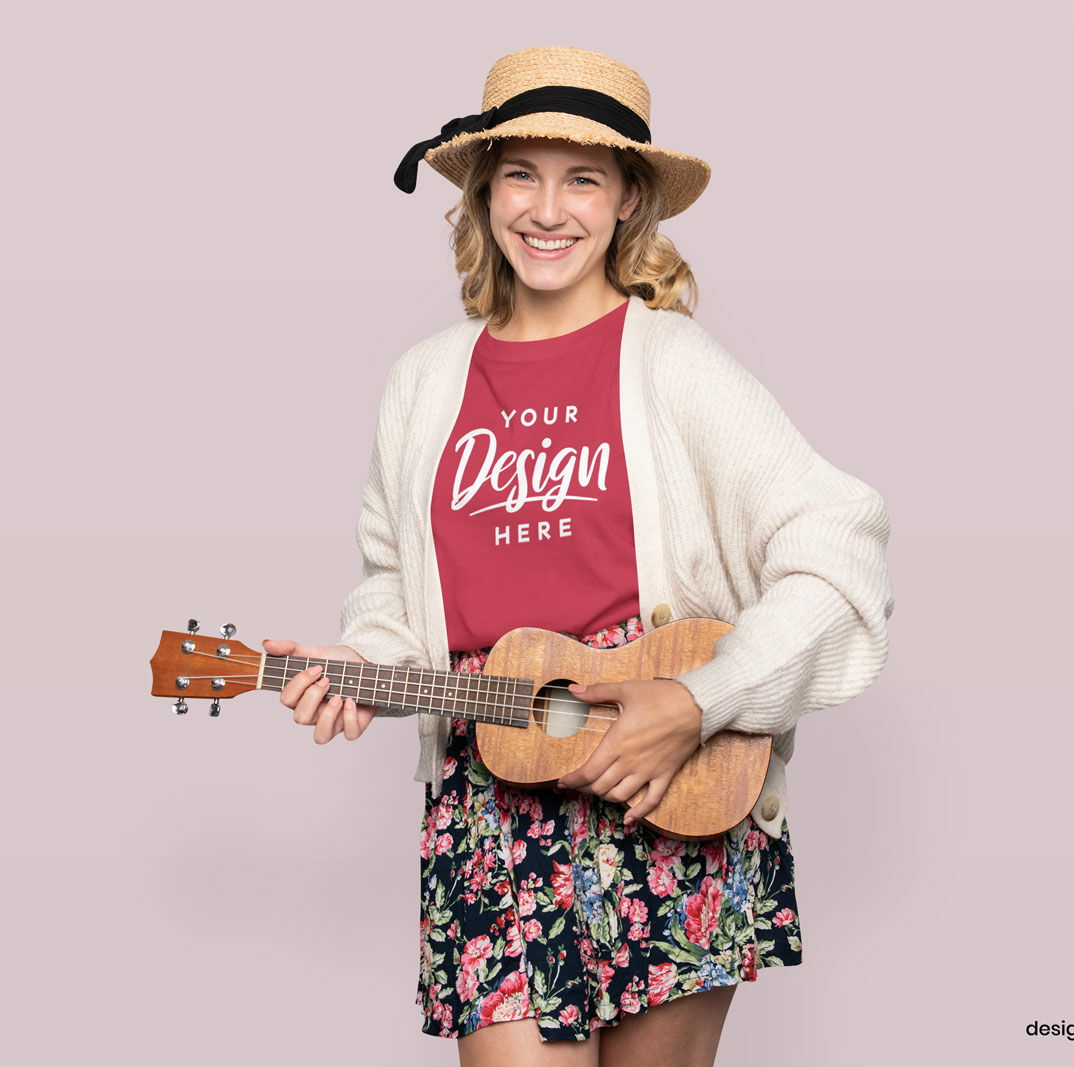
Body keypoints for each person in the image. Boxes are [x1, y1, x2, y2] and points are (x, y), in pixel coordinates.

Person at [261, 46, 894, 1067]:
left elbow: (838, 543)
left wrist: (701, 697)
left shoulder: (677, 366)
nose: (547, 209)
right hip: (491, 795)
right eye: (520, 173)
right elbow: (397, 579)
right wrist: (363, 660)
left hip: (665, 785)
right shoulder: (422, 383)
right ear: (480, 189)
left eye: (582, 178)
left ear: (627, 200)